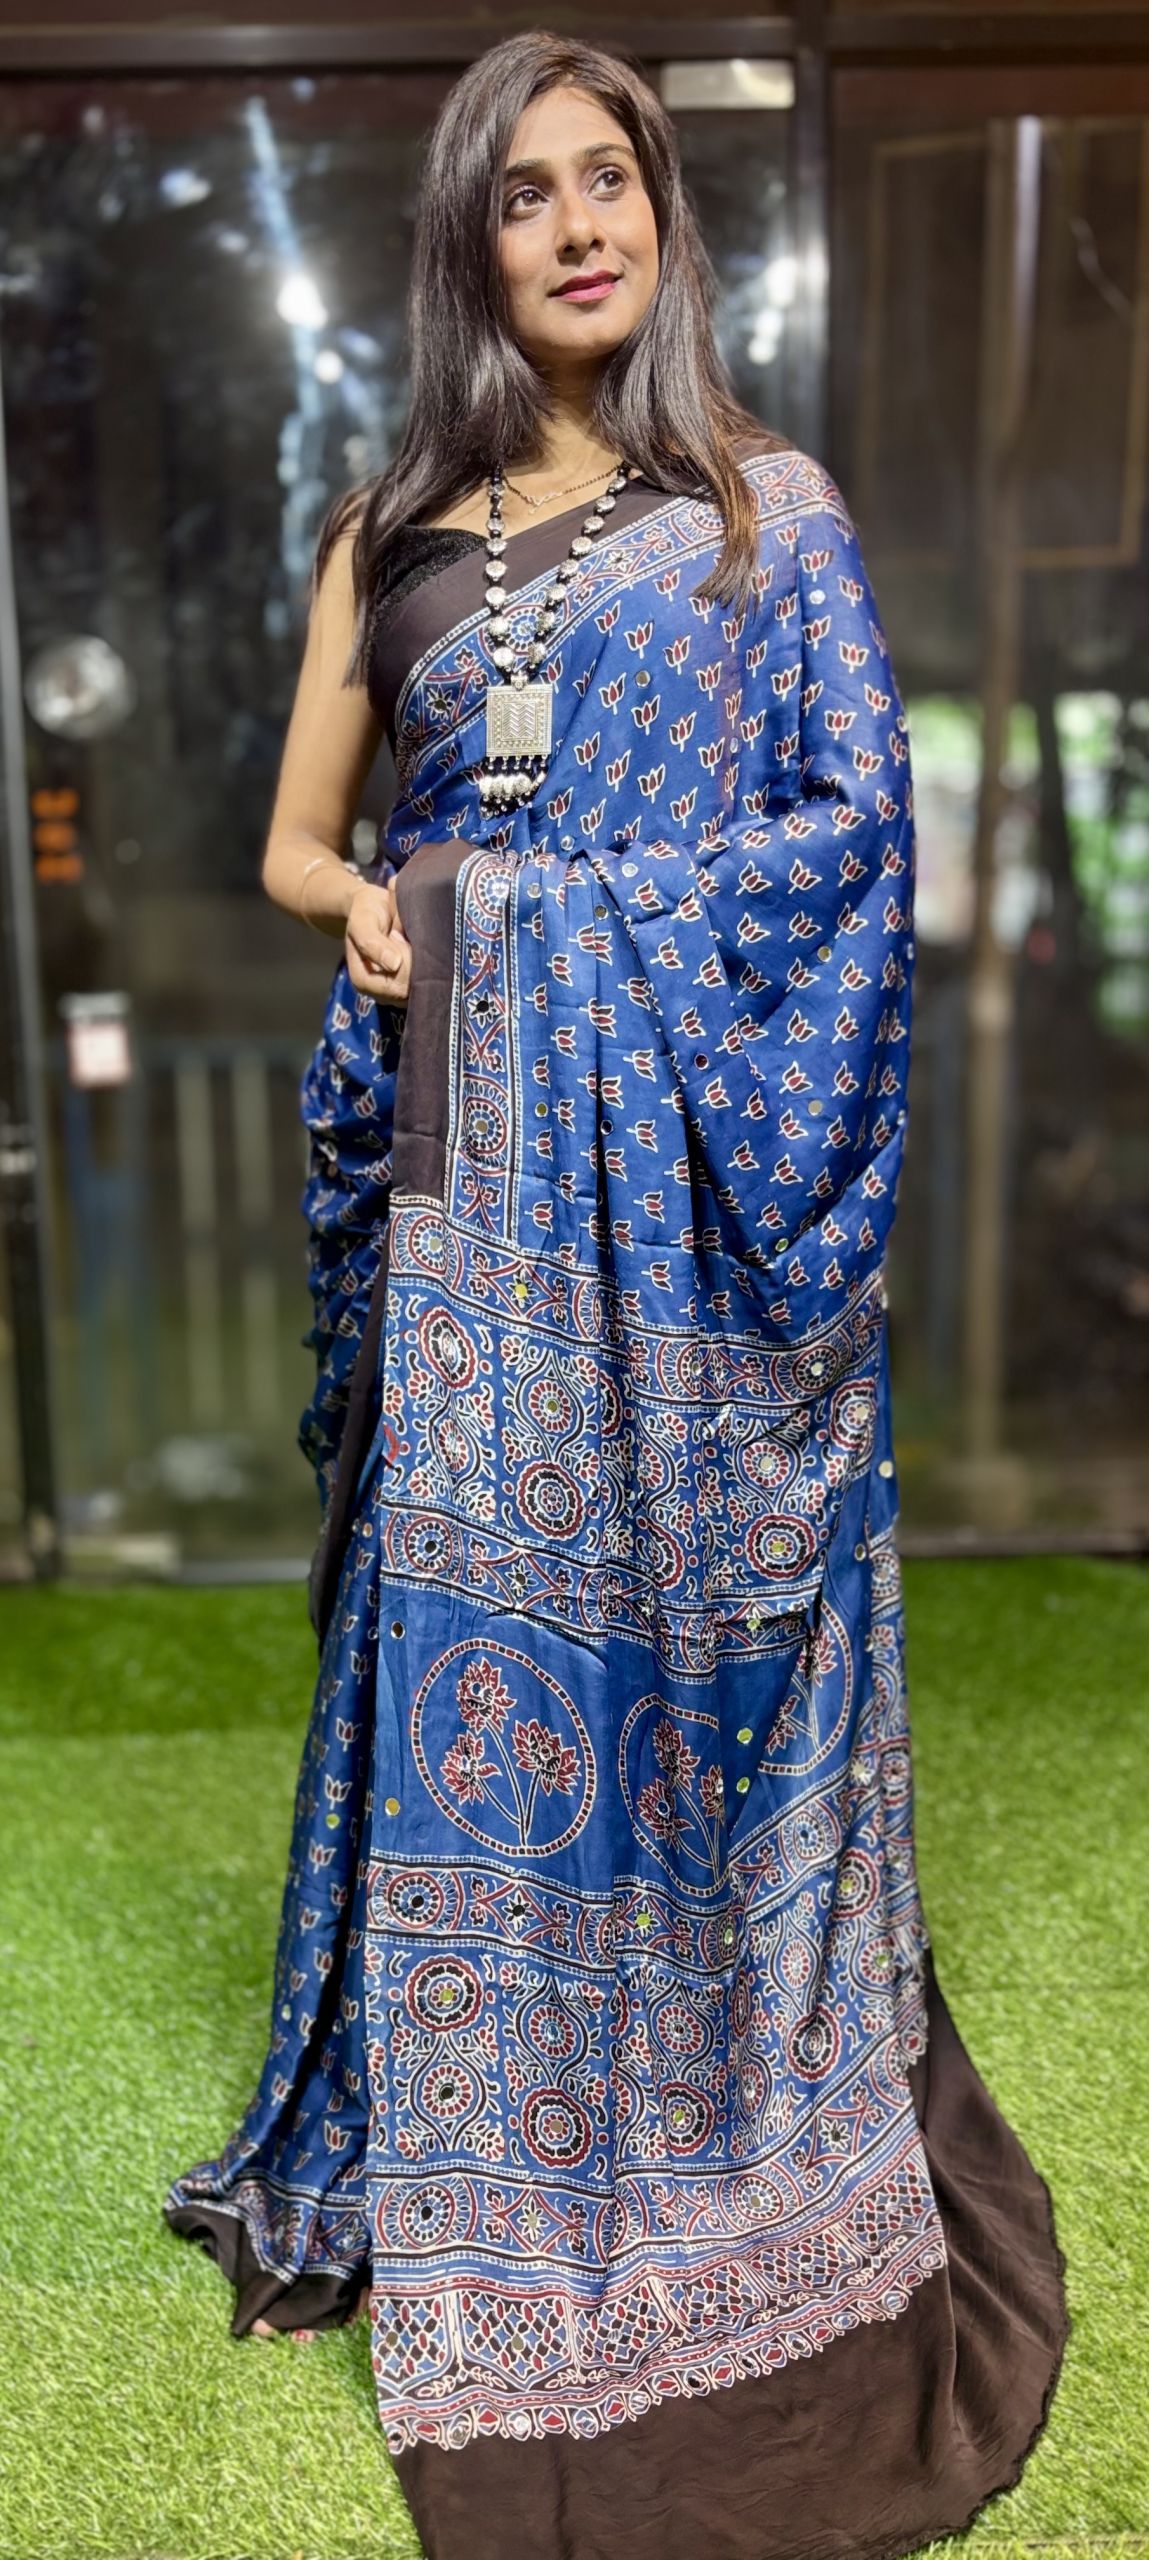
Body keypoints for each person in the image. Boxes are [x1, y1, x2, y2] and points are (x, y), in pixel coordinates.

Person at [164, 32, 1068, 2560]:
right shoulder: (387, 532)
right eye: (524, 194)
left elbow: (849, 840)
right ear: (464, 244)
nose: (578, 227)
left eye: (612, 181)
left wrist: (540, 921)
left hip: (679, 1187)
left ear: (662, 215)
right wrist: (381, 912)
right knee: (437, 1623)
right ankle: (445, 2116)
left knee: (682, 1628)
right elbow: (294, 838)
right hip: (457, 1160)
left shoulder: (763, 514)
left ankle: (691, 2094)